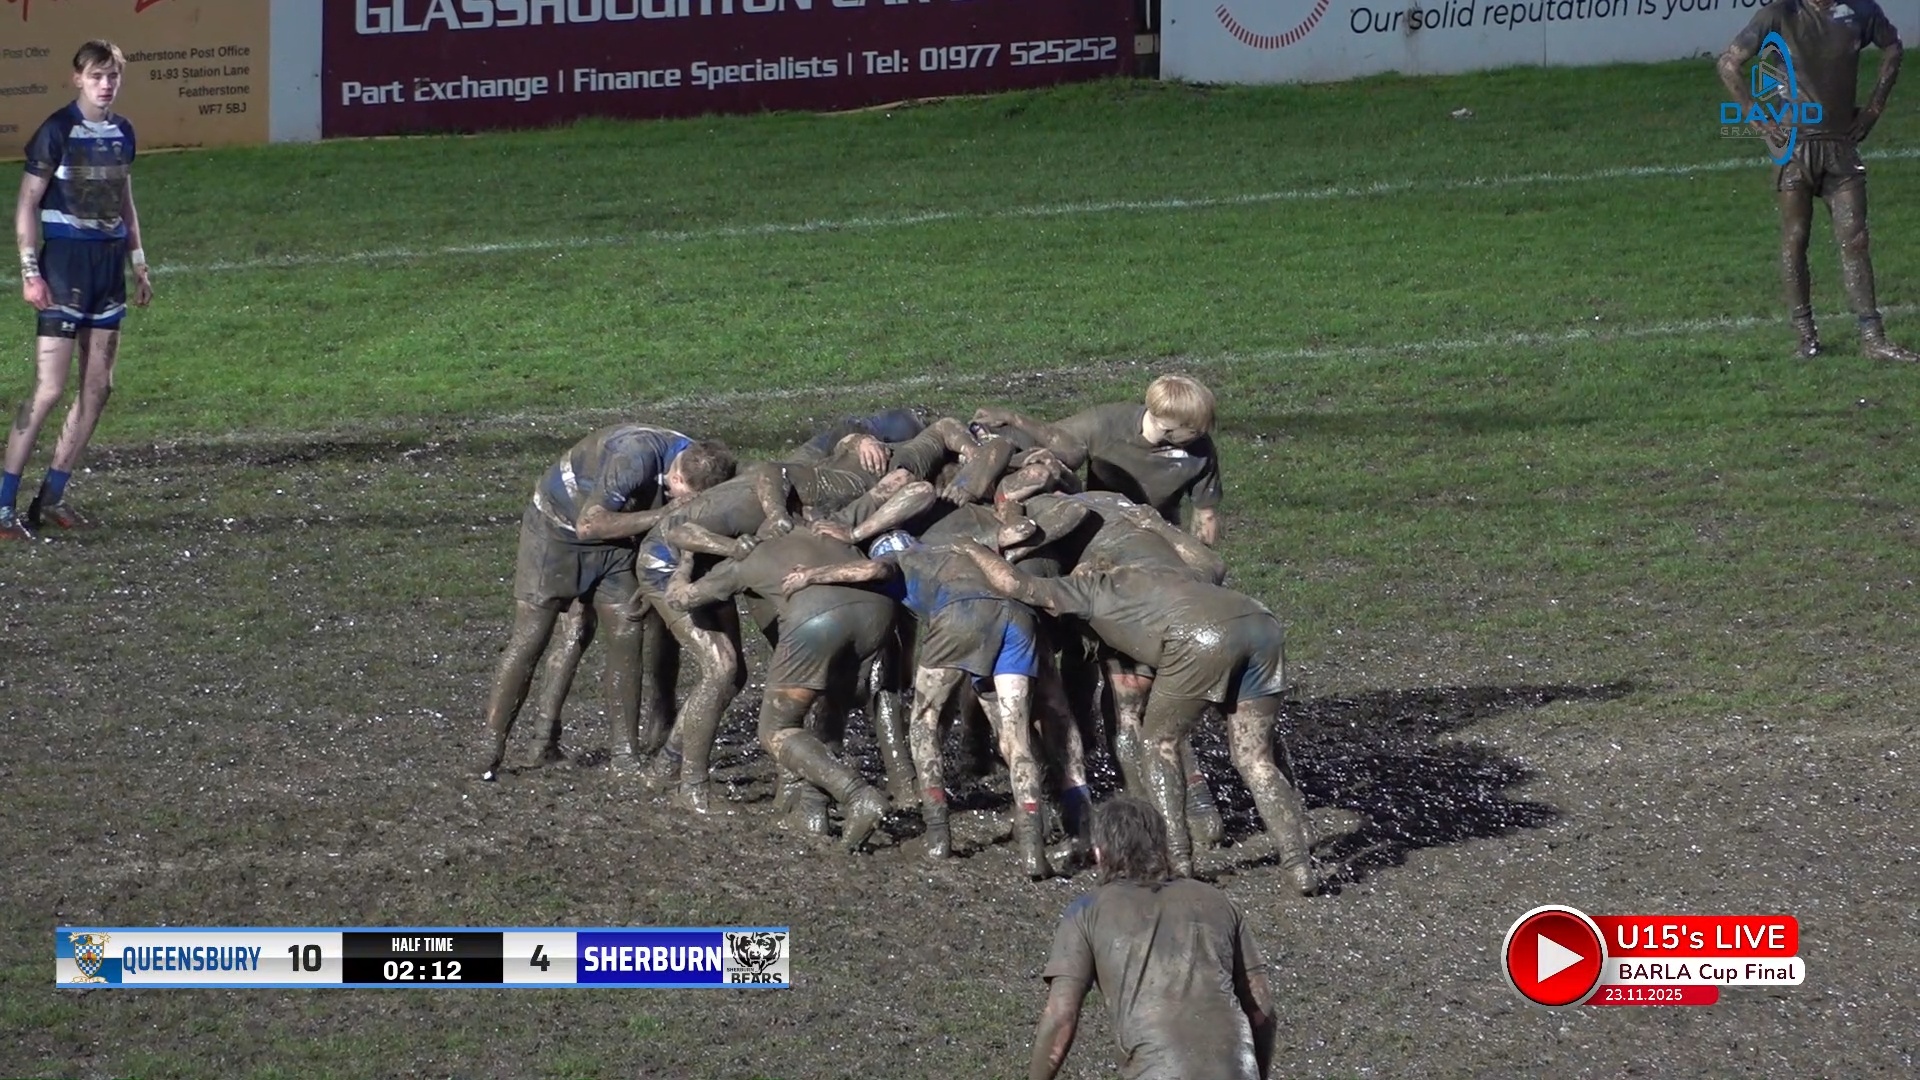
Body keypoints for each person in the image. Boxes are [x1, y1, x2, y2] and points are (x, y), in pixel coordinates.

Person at [955, 541, 1317, 894]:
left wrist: (974, 550)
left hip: (1199, 639)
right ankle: (1299, 865)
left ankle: (1178, 859)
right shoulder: (1170, 573)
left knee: (1159, 743)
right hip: (1261, 623)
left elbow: (1017, 585)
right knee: (1256, 760)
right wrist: (1153, 523)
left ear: (1093, 567)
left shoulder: (1093, 588)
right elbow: (1212, 562)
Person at [476, 426, 734, 781]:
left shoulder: (702, 460)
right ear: (674, 474)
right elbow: (588, 525)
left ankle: (624, 758)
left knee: (627, 632)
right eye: (679, 493)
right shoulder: (634, 457)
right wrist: (665, 513)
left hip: (617, 543)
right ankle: (489, 748)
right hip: (557, 530)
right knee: (531, 637)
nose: (679, 501)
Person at [6, 40, 152, 540]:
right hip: (65, 267)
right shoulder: (57, 130)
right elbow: (25, 204)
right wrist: (30, 271)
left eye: (113, 75)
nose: (106, 84)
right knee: (48, 390)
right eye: (97, 76)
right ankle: (2, 504)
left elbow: (124, 198)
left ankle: (51, 498)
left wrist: (139, 261)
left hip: (107, 268)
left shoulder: (124, 131)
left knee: (98, 388)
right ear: (78, 79)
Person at [1718, 0, 1919, 363]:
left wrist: (1874, 108)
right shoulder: (1780, 14)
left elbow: (1893, 46)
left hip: (1840, 148)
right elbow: (1728, 63)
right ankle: (1806, 336)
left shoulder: (1860, 11)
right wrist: (1757, 117)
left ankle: (1873, 339)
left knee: (1855, 238)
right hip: (1795, 151)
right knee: (1796, 239)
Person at [1028, 795, 1277, 1080]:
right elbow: (1262, 1006)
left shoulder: (1086, 912)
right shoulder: (1218, 902)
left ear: (1100, 853)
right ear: (1161, 847)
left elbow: (1060, 1016)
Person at [972, 374, 1225, 545]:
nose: (1202, 435)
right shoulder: (1105, 424)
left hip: (1158, 535)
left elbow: (1206, 515)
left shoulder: (1200, 451)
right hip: (1099, 525)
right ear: (1168, 425)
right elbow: (1054, 438)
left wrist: (1198, 562)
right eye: (1195, 430)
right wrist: (1009, 422)